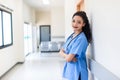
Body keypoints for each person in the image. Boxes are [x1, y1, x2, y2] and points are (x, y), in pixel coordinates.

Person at [59, 0, 92, 80]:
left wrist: (66, 56)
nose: (75, 24)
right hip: (71, 71)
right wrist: (67, 56)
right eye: (73, 21)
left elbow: (67, 58)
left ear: (83, 24)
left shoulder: (81, 38)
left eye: (79, 22)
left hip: (78, 72)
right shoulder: (72, 36)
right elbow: (61, 51)